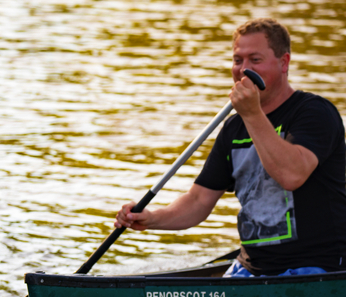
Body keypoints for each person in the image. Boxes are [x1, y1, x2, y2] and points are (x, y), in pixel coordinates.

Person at [115, 18, 346, 277]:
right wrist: (151, 218)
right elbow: (199, 200)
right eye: (238, 60)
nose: (243, 70)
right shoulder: (234, 127)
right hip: (250, 269)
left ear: (284, 63)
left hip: (318, 268)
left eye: (255, 60)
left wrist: (252, 114)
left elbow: (292, 175)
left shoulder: (314, 112)